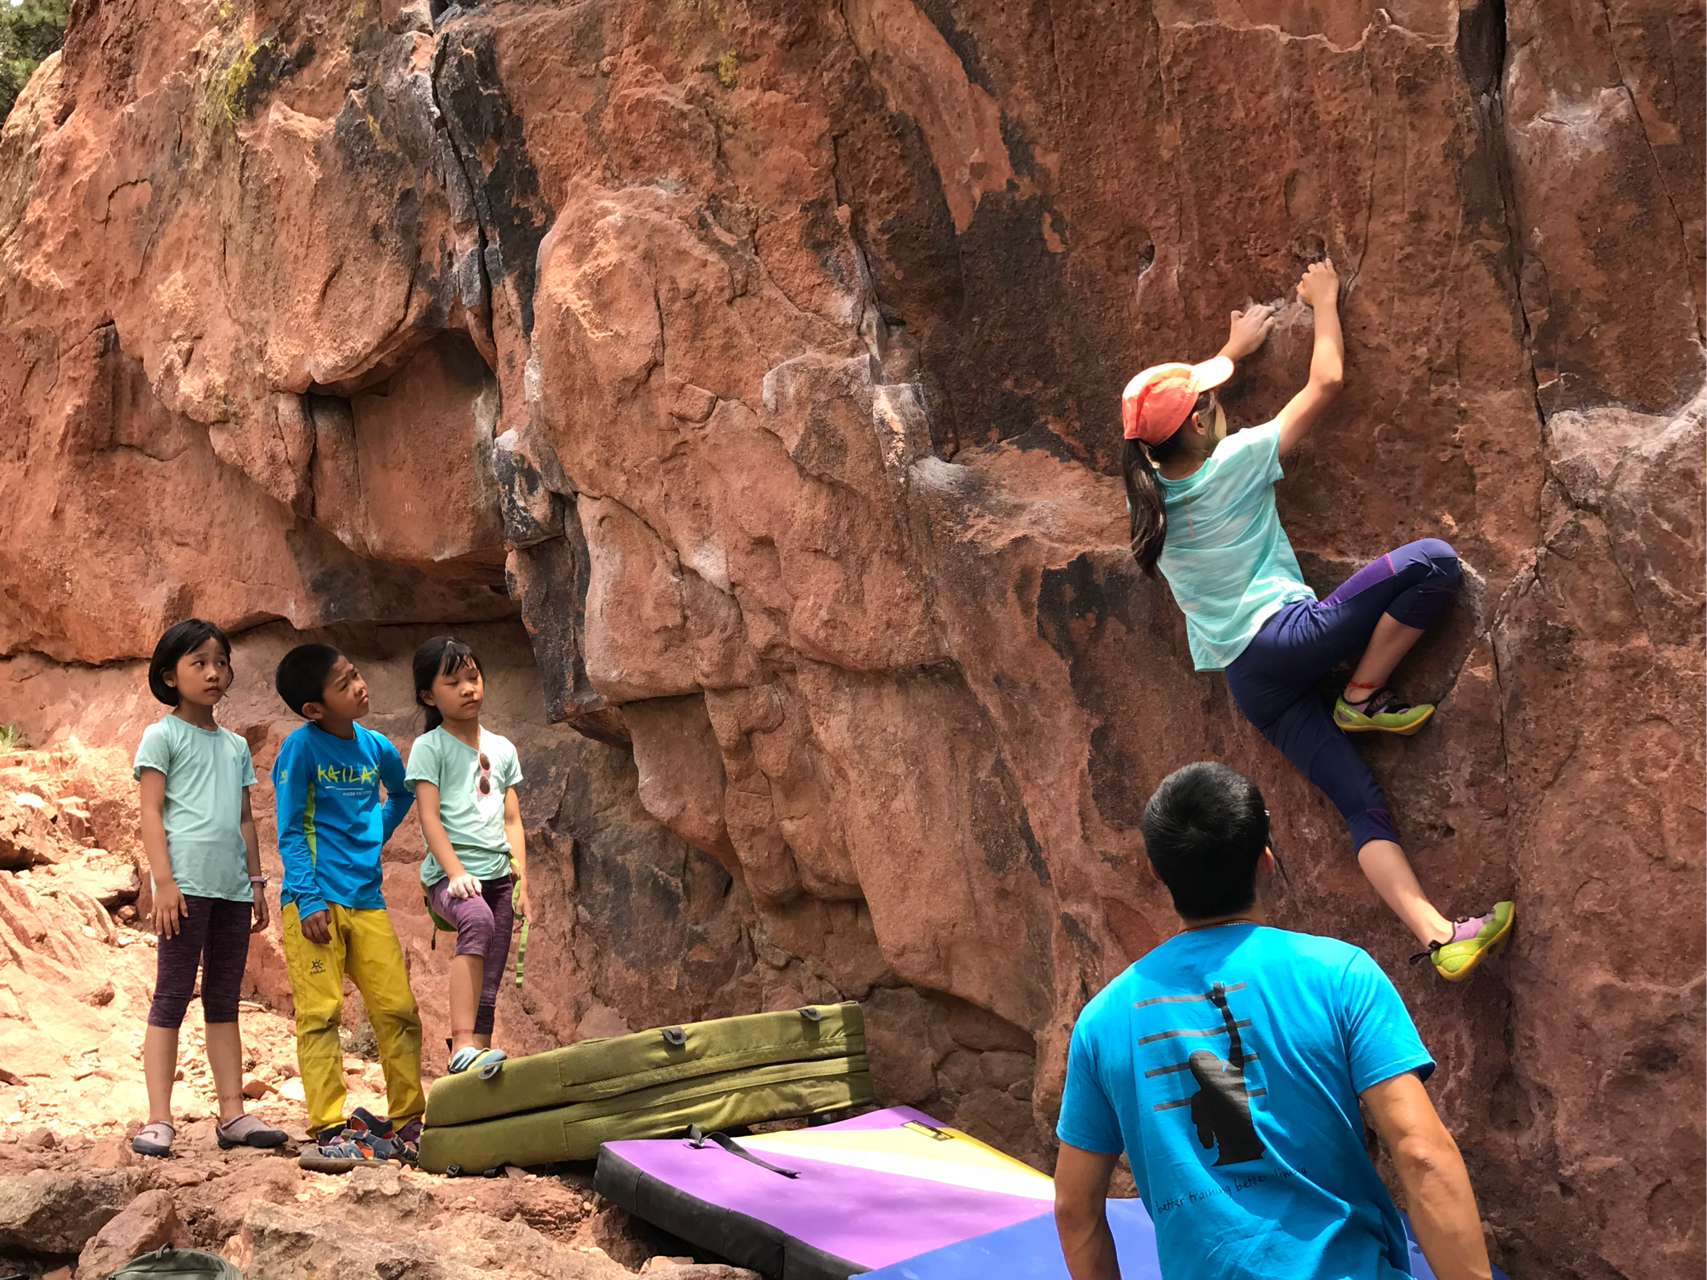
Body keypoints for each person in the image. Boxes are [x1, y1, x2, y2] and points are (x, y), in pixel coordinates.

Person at [1119, 258, 1511, 977]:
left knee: (1360, 800)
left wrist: (1230, 356)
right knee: (1431, 562)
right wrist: (1323, 301)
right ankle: (1361, 694)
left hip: (1251, 684)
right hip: (1286, 640)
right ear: (1202, 424)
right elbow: (1325, 384)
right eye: (1205, 403)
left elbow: (1172, 426)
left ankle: (1438, 936)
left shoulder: (1143, 501)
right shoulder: (1232, 460)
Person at [1054, 762, 1495, 1280]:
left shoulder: (1103, 1021)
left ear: (1156, 871)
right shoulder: (1339, 975)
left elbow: (1075, 1209)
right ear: (1264, 857)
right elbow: (1421, 1153)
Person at [129, 619, 288, 1158]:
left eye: (220, 662)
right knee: (172, 995)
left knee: (224, 999)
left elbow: (246, 820)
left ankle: (231, 1114)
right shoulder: (162, 736)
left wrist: (257, 882)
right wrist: (164, 882)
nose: (213, 672)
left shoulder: (235, 745)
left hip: (231, 889)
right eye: (198, 662)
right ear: (169, 675)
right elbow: (150, 812)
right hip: (186, 886)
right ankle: (158, 1119)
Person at [272, 643, 424, 1168]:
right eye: (344, 684)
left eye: (356, 674)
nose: (359, 686)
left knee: (398, 1010)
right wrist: (309, 897)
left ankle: (409, 1121)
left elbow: (401, 794)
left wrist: (373, 834)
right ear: (315, 708)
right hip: (313, 903)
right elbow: (289, 831)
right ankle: (330, 1128)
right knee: (321, 1014)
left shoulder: (376, 745)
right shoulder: (300, 749)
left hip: (367, 898)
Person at [405, 636, 527, 1078]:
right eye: (452, 682)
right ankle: (462, 1044)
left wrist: (522, 882)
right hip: (450, 877)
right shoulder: (430, 748)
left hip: (499, 877)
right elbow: (429, 818)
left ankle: (480, 1066)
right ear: (428, 695)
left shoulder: (503, 748)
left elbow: (512, 819)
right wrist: (455, 872)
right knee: (475, 922)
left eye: (473, 678)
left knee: (491, 978)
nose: (467, 688)